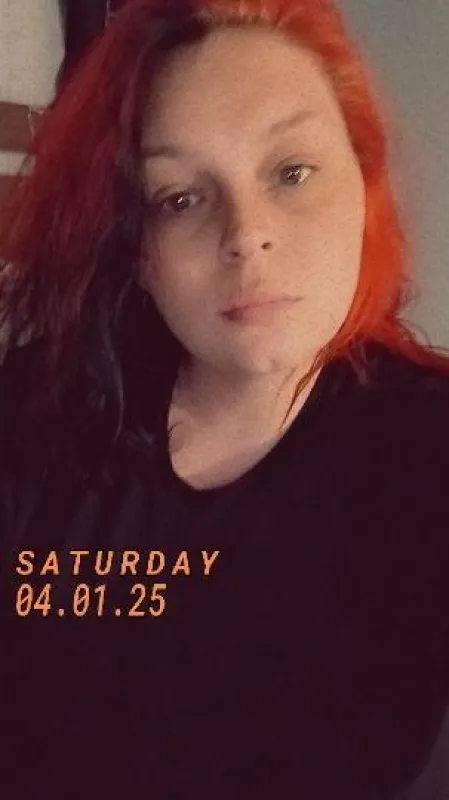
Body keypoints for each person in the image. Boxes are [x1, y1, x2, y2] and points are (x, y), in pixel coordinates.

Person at [0, 0, 448, 797]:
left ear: (364, 185)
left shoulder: (426, 454)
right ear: (137, 252)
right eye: (179, 197)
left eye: (291, 171)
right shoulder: (34, 414)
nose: (245, 235)